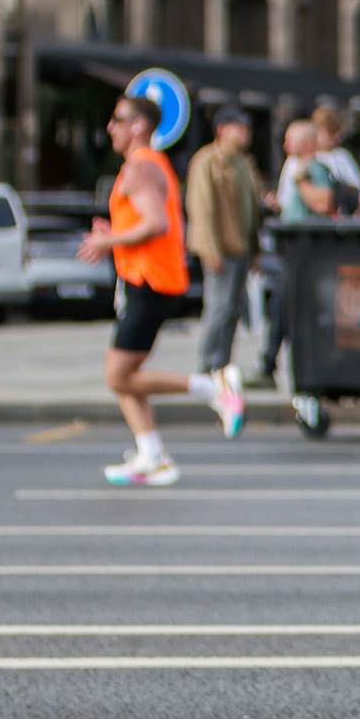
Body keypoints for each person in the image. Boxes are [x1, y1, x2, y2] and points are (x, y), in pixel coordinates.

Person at [77, 90, 246, 485]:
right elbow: (149, 220)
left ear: (139, 126)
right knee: (125, 375)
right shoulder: (150, 164)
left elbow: (157, 223)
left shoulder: (139, 167)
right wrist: (114, 231)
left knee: (118, 377)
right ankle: (151, 455)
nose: (111, 128)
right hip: (150, 279)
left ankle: (212, 387)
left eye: (118, 120)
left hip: (149, 281)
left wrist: (109, 241)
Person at [253, 119, 338, 388]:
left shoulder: (314, 169)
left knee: (285, 306)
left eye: (292, 138)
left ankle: (274, 365)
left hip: (307, 253)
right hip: (293, 250)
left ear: (309, 143)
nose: (285, 143)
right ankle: (271, 363)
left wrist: (301, 182)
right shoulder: (296, 167)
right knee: (281, 306)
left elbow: (323, 203)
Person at [185, 107, 263, 374]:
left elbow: (251, 209)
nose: (245, 133)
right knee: (217, 309)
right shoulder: (207, 161)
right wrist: (209, 249)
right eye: (238, 128)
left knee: (233, 310)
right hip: (220, 248)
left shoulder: (243, 162)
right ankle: (206, 366)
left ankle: (222, 365)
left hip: (241, 248)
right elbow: (201, 207)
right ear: (222, 130)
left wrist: (255, 252)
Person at [311, 104, 360, 219]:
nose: (334, 139)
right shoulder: (305, 157)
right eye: (329, 134)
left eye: (336, 134)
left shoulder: (343, 157)